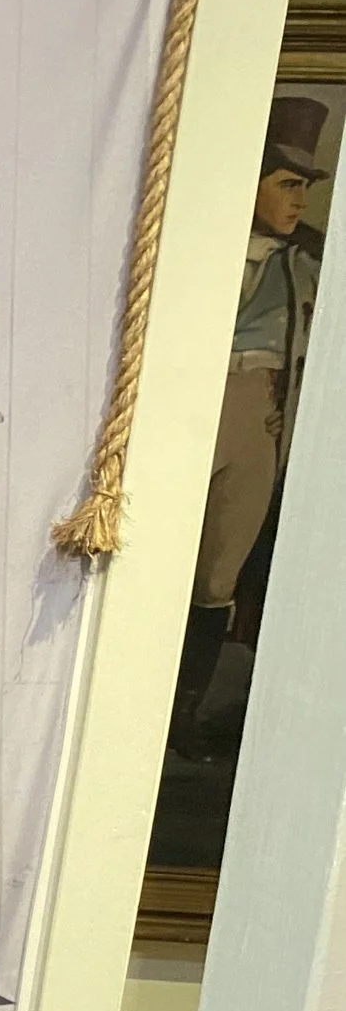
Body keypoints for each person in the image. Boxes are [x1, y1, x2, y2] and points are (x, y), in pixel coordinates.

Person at [172, 97, 326, 760]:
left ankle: (182, 719)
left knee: (218, 577)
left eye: (302, 187)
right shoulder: (198, 243)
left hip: (258, 408)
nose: (297, 201)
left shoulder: (307, 261)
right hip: (186, 402)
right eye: (285, 184)